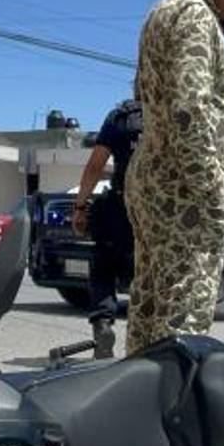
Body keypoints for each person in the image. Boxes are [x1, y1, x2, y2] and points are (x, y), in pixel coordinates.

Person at [124, 0, 224, 356]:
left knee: (151, 305)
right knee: (183, 315)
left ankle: (141, 389)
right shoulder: (194, 12)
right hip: (183, 187)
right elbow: (187, 110)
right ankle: (170, 393)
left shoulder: (168, 7)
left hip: (162, 174)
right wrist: (212, 188)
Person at [72, 99, 143, 358]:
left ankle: (102, 323)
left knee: (104, 266)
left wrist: (80, 206)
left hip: (121, 206)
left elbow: (95, 165)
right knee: (147, 275)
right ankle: (147, 342)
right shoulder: (170, 114)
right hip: (158, 212)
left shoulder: (121, 118)